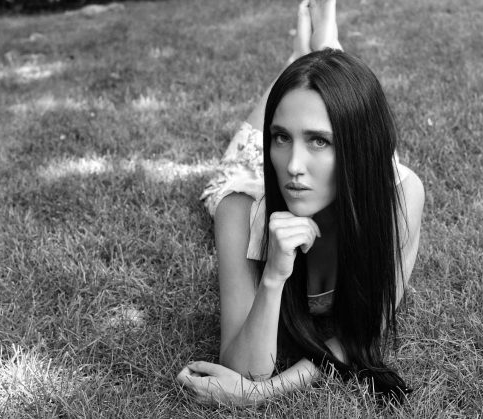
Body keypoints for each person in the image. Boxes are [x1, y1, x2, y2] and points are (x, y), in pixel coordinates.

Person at [176, 0, 424, 406]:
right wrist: (273, 276)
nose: (293, 165)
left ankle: (323, 46)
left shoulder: (401, 195)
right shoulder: (239, 209)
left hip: (355, 180)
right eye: (280, 137)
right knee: (245, 152)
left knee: (334, 103)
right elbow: (243, 368)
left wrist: (263, 393)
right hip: (252, 176)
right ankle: (300, 56)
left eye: (319, 141)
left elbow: (366, 329)